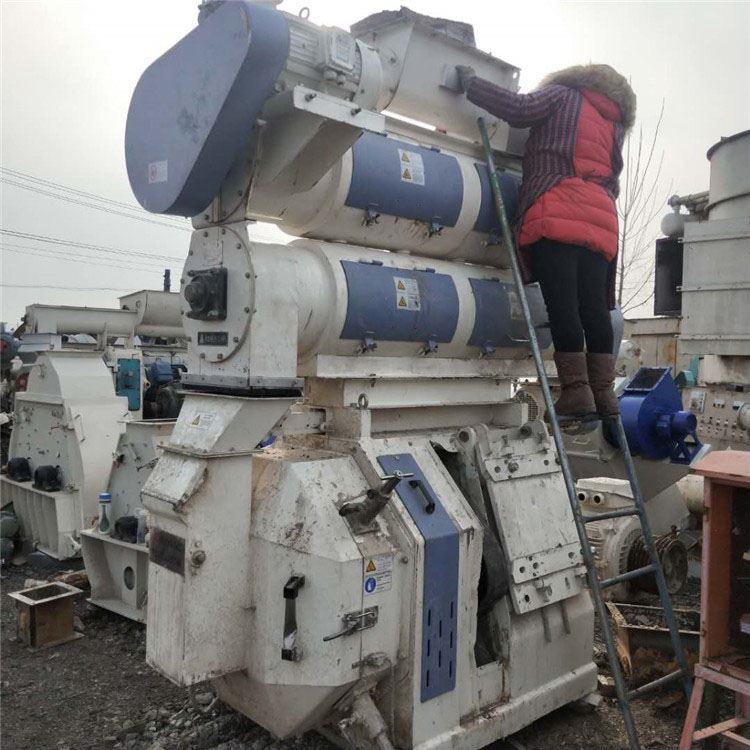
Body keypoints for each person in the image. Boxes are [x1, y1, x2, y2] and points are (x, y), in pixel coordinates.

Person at [456, 63, 636, 420]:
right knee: (594, 311)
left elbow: (520, 110)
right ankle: (604, 395)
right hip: (601, 221)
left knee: (563, 307)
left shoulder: (565, 95)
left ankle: (575, 393)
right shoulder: (613, 124)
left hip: (557, 210)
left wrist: (472, 84)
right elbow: (613, 176)